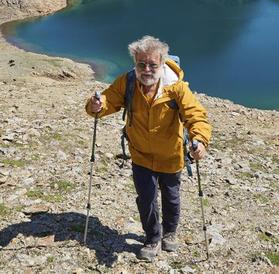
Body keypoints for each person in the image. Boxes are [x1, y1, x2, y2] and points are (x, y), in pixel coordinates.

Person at [85, 35, 211, 261]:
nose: (147, 69)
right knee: (146, 198)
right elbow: (108, 101)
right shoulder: (128, 82)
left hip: (171, 156)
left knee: (171, 198)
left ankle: (169, 232)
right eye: (141, 64)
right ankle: (153, 238)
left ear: (162, 63)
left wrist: (199, 140)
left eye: (152, 64)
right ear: (135, 62)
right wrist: (97, 105)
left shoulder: (177, 88)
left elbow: (196, 116)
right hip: (141, 155)